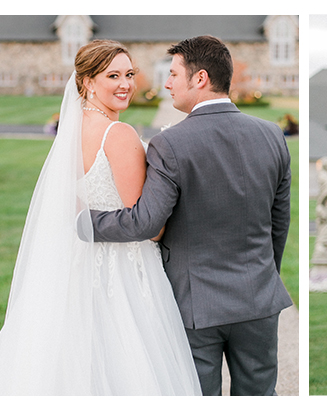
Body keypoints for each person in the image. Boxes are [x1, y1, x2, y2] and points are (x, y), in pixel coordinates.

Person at [86, 35, 293, 396]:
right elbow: (279, 221)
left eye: (174, 74)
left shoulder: (171, 143)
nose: (166, 83)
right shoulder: (272, 135)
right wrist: (262, 276)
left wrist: (83, 222)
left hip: (196, 306)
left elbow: (146, 222)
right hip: (260, 298)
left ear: (199, 79)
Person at [0, 40, 200, 395]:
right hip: (124, 269)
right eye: (113, 75)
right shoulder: (117, 133)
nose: (125, 84)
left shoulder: (73, 133)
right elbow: (148, 225)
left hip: (80, 263)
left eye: (129, 74)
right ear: (88, 82)